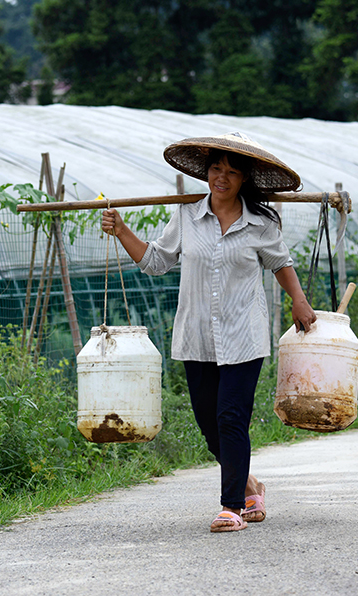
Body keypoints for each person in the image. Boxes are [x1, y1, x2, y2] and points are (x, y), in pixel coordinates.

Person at [101, 132, 316, 533]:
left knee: (231, 418)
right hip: (196, 337)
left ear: (244, 180)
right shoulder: (186, 217)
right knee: (208, 424)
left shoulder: (260, 224)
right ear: (207, 172)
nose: (223, 177)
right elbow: (154, 261)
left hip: (243, 336)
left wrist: (298, 300)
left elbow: (281, 264)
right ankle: (250, 485)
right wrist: (122, 230)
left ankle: (231, 507)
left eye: (233, 172)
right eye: (217, 168)